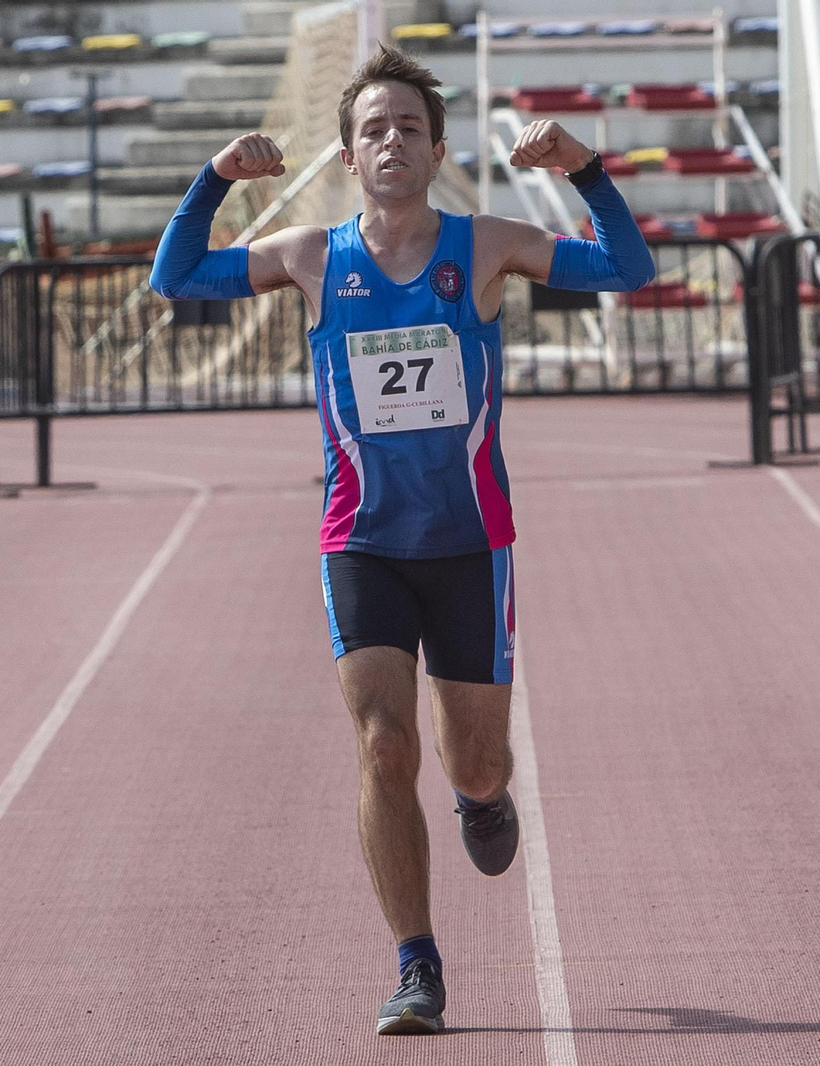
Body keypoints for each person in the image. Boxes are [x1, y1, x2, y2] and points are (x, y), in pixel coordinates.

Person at [149, 46, 653, 1035]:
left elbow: (625, 267)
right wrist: (214, 178)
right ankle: (415, 963)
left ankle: (481, 794)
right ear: (347, 152)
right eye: (373, 127)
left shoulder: (489, 243)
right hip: (362, 543)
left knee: (473, 764)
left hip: (469, 545)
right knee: (383, 747)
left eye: (408, 127)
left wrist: (583, 169)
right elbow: (178, 277)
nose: (391, 141)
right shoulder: (309, 255)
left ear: (433, 149)